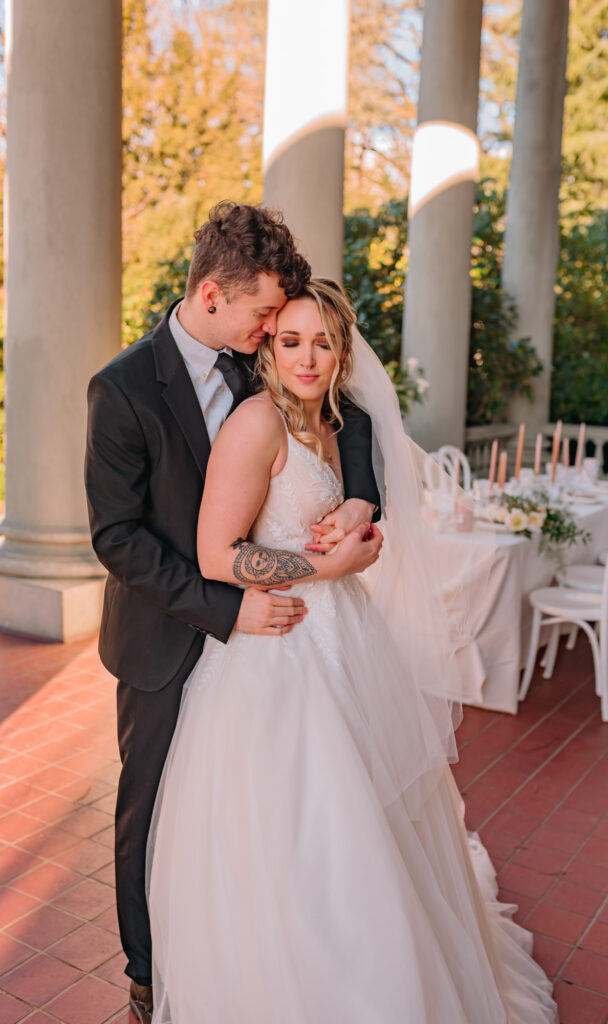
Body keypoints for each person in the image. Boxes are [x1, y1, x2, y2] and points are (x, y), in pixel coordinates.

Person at [146, 278, 559, 1023]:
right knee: (301, 831)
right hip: (277, 650)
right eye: (292, 339)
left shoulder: (333, 421)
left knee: (374, 815)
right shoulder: (257, 424)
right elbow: (215, 554)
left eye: (323, 342)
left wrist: (362, 511)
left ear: (342, 352)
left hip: (346, 642)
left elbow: (364, 476)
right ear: (269, 343)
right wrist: (325, 566)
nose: (307, 357)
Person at [84, 204, 382, 1024]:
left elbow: (341, 421)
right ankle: (150, 975)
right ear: (212, 293)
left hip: (273, 633)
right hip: (165, 634)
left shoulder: (265, 358)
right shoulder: (120, 388)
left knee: (254, 812)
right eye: (263, 314)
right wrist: (228, 609)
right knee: (151, 814)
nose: (274, 330)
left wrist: (359, 500)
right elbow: (118, 540)